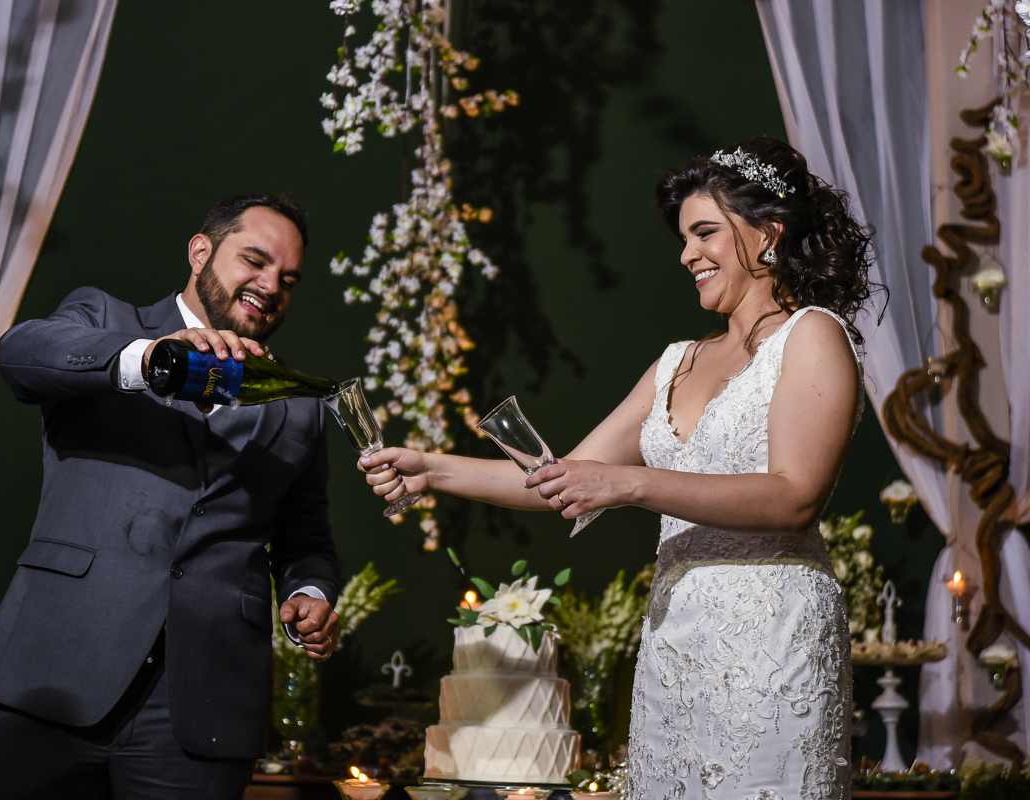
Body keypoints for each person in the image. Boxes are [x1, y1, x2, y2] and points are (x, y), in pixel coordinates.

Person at [361, 137, 878, 800]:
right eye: (684, 239)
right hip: (675, 644)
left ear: (768, 234)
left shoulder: (813, 335)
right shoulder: (676, 363)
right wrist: (430, 468)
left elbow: (794, 496)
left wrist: (632, 484)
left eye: (705, 233)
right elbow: (562, 480)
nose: (688, 254)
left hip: (773, 650)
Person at [0, 194, 341, 800]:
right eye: (255, 260)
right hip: (54, 673)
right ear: (200, 252)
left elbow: (308, 541)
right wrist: (153, 359)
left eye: (288, 279)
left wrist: (310, 593)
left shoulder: (300, 407)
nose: (271, 286)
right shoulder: (104, 320)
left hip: (202, 709)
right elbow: (21, 354)